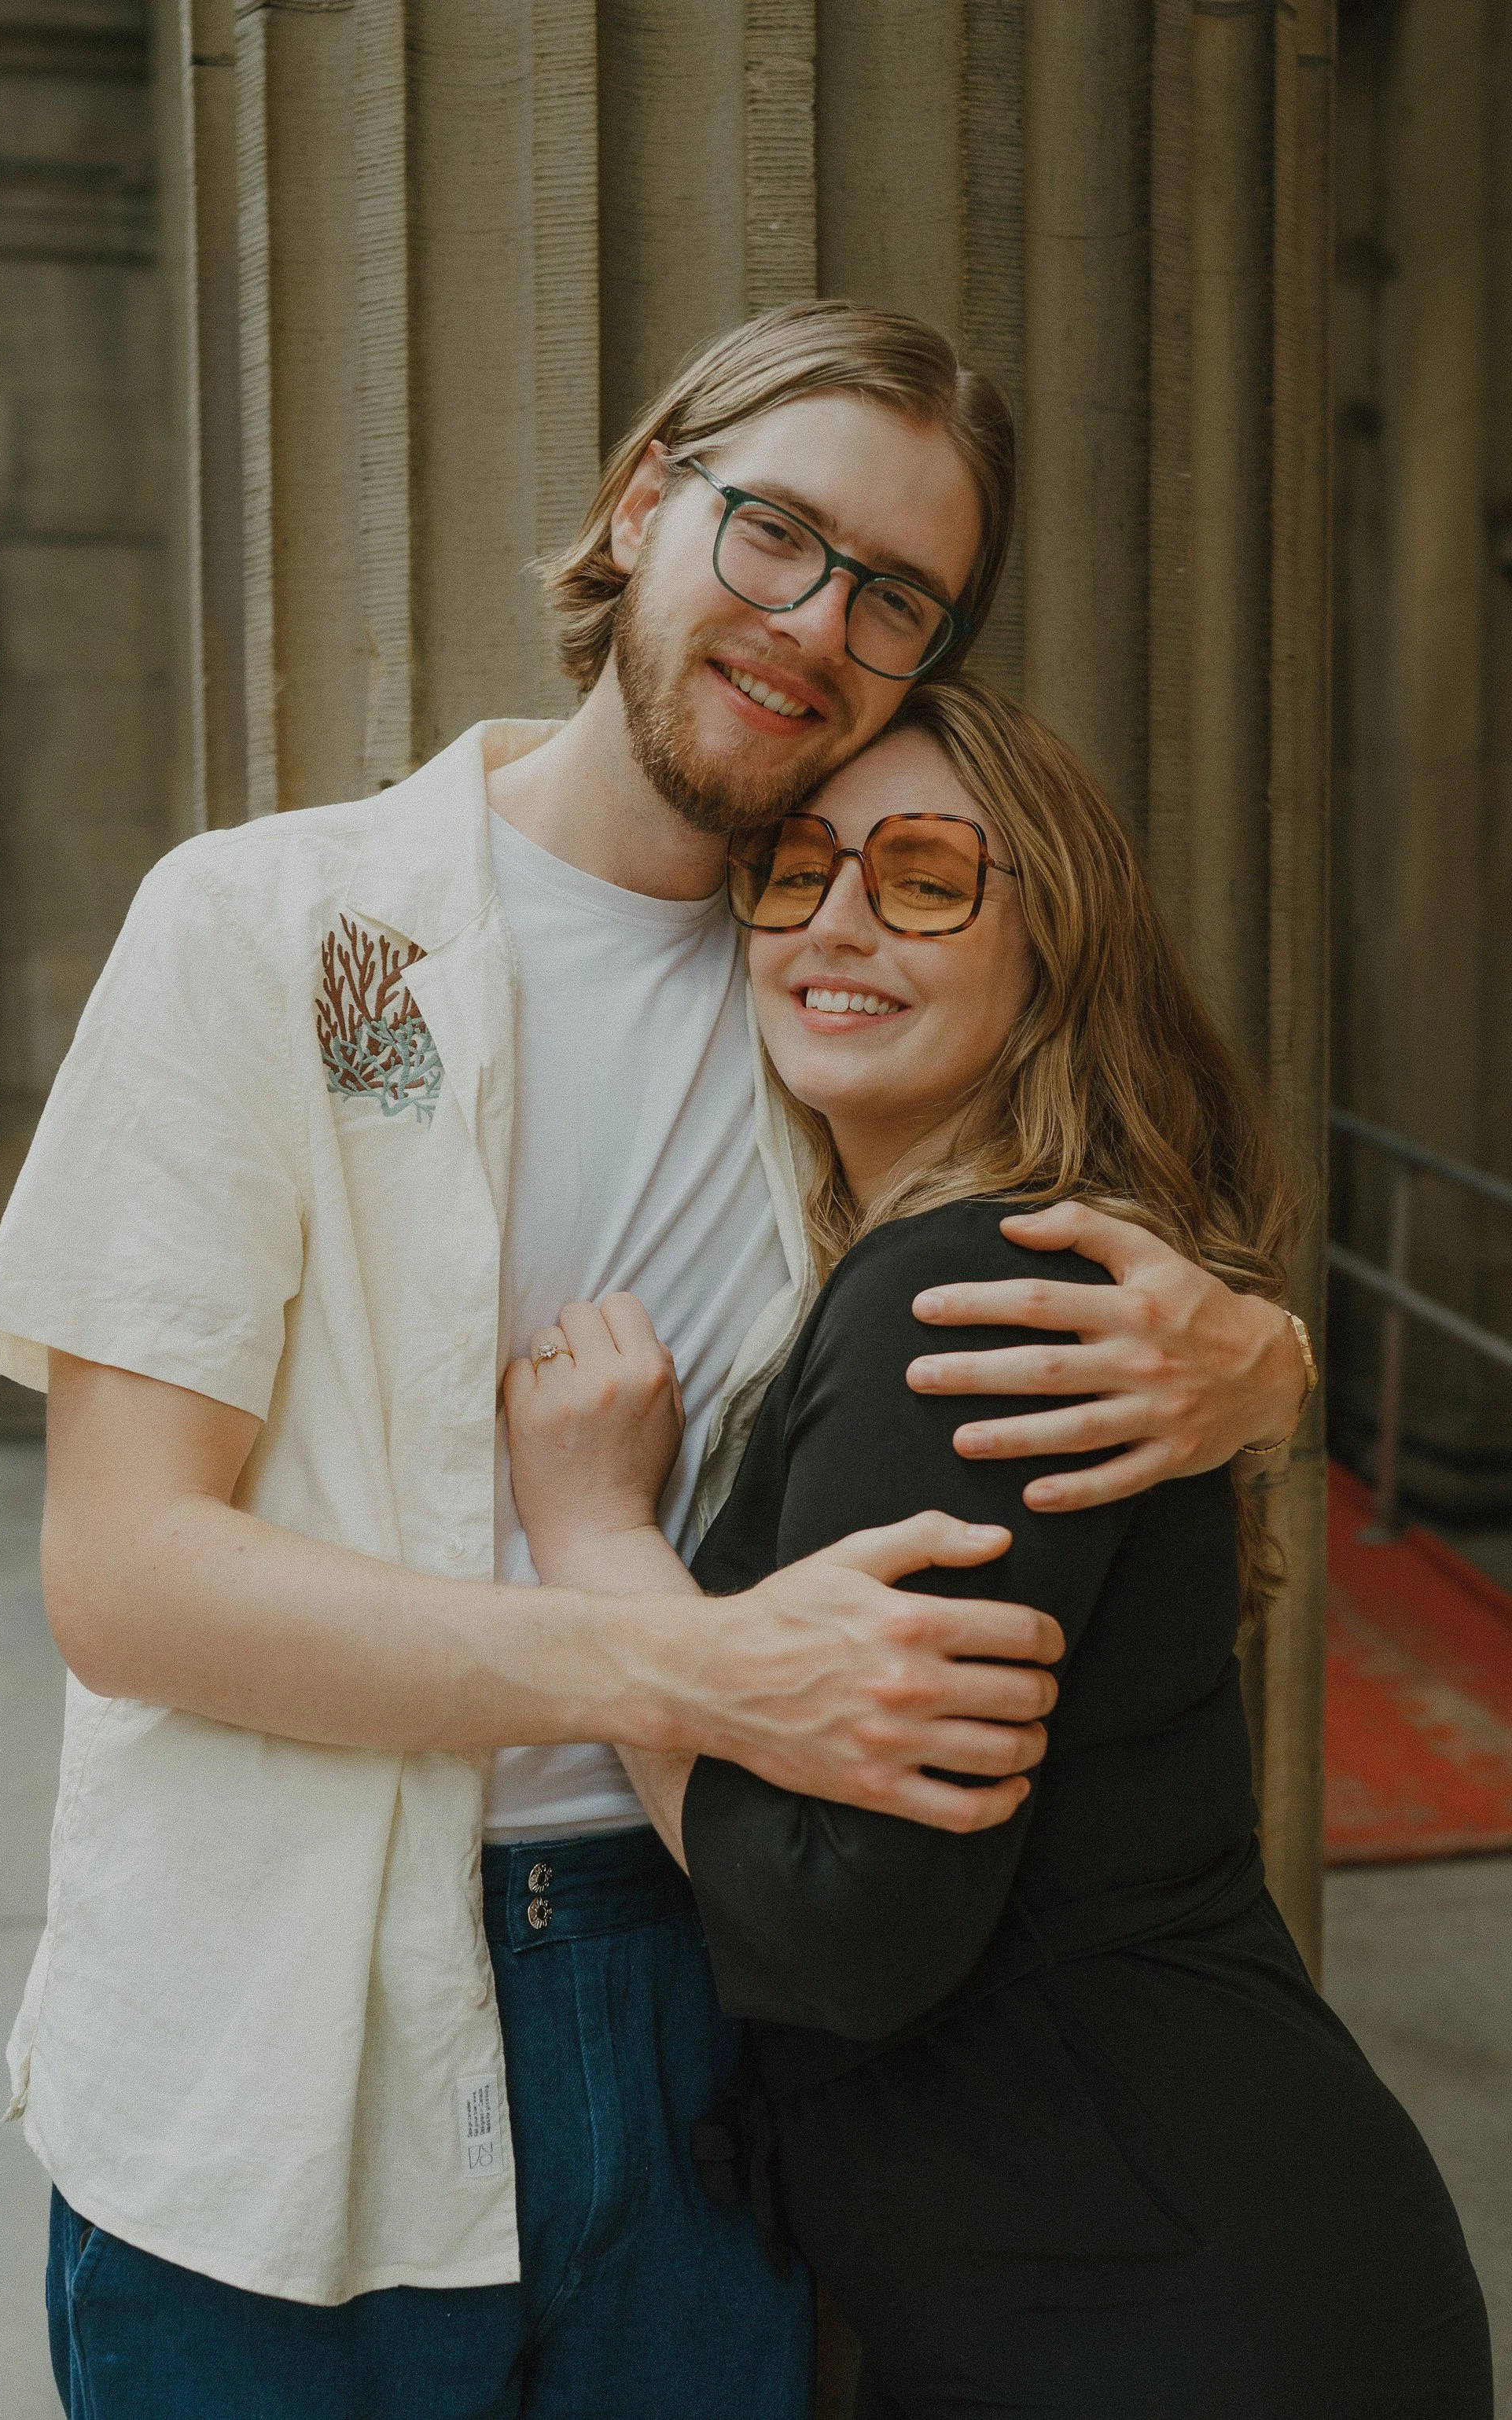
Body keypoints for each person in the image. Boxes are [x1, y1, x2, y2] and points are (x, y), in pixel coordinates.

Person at [0, 303, 1315, 2420]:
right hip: (264, 2026)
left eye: (896, 597)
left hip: (702, 2009)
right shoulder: (264, 923)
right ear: (637, 501)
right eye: (775, 531)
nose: (813, 621)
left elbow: (1078, 1179)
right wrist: (690, 1664)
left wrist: (1263, 1352)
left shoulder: (847, 993)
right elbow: (126, 1579)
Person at [502, 681, 1493, 2420]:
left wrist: (595, 1544)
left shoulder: (965, 1301)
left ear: (1055, 941)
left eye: (926, 875)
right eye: (793, 866)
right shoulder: (995, 1264)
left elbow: (839, 1928)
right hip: (1119, 2279)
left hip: (1181, 2323)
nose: (836, 920)